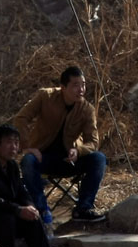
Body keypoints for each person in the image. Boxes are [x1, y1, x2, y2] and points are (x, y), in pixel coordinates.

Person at [15, 66, 107, 223]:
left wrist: (79, 150)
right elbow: (21, 118)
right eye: (76, 85)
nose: (81, 89)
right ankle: (42, 211)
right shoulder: (46, 96)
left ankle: (83, 208)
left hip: (69, 160)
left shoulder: (86, 109)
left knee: (99, 158)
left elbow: (93, 141)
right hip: (43, 157)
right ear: (63, 87)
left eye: (83, 84)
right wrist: (27, 146)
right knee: (28, 161)